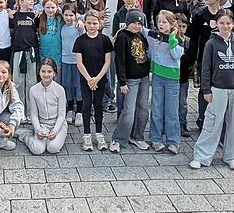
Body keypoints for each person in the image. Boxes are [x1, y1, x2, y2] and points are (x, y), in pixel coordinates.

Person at [190, 9, 234, 171]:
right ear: (216, 24)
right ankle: (202, 156)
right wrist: (206, 90)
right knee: (212, 123)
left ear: (233, 24)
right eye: (222, 23)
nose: (225, 26)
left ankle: (232, 156)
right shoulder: (211, 44)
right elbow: (205, 69)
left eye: (228, 23)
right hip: (217, 89)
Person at [186, 0, 227, 128]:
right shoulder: (200, 15)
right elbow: (192, 38)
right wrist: (192, 59)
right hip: (204, 57)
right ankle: (202, 118)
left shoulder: (226, 15)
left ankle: (218, 118)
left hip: (222, 59)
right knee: (205, 88)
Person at [110, 10, 150, 152]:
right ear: (127, 23)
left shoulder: (141, 35)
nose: (137, 26)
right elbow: (119, 60)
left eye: (140, 23)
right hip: (131, 80)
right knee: (129, 111)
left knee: (143, 109)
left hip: (144, 78)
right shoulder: (122, 37)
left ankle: (137, 136)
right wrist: (122, 82)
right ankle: (118, 139)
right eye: (134, 23)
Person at [73, 10, 114, 151]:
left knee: (98, 105)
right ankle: (86, 134)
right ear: (84, 23)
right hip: (86, 78)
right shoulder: (80, 40)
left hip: (100, 78)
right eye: (89, 23)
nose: (91, 26)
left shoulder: (105, 40)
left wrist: (97, 78)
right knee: (86, 105)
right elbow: (79, 62)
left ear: (100, 24)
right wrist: (89, 79)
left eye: (94, 23)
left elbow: (107, 61)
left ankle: (99, 132)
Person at [146, 10, 185, 154]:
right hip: (157, 76)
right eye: (159, 21)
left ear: (171, 23)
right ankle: (156, 138)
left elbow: (176, 56)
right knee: (156, 109)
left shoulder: (179, 39)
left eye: (164, 22)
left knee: (171, 112)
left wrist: (172, 40)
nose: (161, 24)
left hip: (172, 80)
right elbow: (141, 29)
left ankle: (173, 140)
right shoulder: (154, 35)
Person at [21, 59, 67, 154]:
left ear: (54, 73)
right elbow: (33, 114)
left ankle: (58, 136)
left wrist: (55, 130)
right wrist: (38, 129)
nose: (46, 74)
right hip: (42, 123)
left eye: (49, 71)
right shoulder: (33, 90)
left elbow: (62, 115)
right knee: (37, 150)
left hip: (58, 123)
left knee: (53, 148)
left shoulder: (60, 90)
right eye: (43, 71)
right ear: (39, 72)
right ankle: (26, 135)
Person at [10, 0, 39, 111]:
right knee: (18, 83)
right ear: (21, 2)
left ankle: (31, 110)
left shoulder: (35, 16)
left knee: (32, 82)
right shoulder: (14, 16)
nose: (31, 1)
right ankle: (19, 110)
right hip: (18, 53)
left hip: (31, 52)